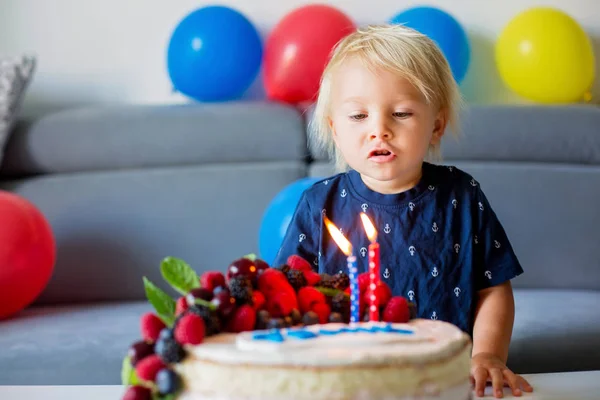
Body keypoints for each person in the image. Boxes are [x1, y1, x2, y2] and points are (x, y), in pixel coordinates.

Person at [272, 24, 533, 398]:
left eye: (401, 113)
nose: (379, 130)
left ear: (436, 125)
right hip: (345, 380)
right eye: (358, 116)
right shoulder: (319, 205)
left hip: (445, 379)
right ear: (334, 129)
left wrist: (488, 354)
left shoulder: (462, 195)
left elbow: (493, 289)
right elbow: (287, 295)